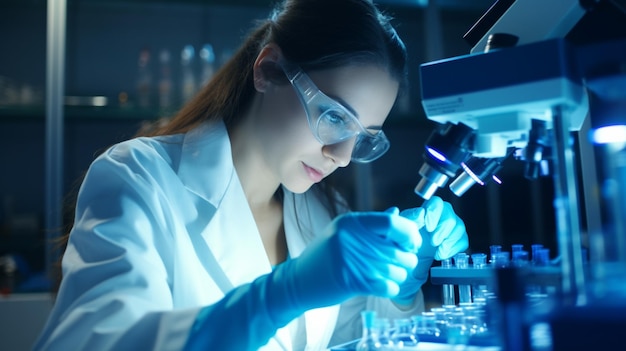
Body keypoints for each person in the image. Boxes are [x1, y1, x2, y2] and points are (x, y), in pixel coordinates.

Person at [34, 0, 468, 350]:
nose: (341, 155)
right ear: (268, 70)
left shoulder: (321, 210)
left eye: (364, 137)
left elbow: (347, 337)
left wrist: (401, 285)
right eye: (335, 116)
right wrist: (281, 293)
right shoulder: (137, 178)